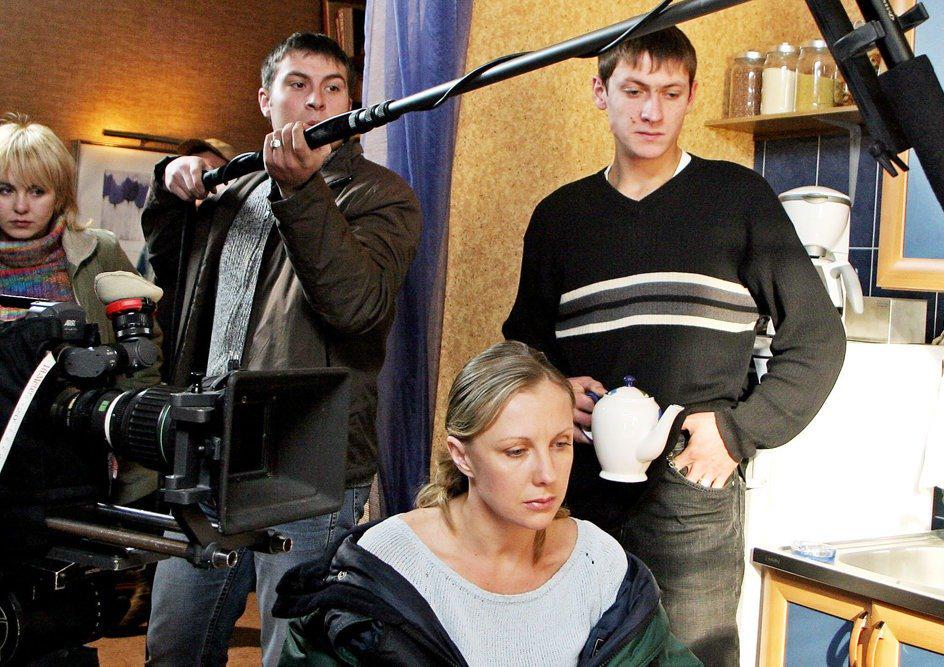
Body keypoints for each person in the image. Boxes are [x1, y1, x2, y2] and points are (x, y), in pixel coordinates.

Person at [503, 27, 846, 665]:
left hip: (693, 487)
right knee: (570, 651)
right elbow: (525, 346)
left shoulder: (738, 199)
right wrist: (553, 393)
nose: (651, 111)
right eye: (634, 90)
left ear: (690, 96)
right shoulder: (559, 217)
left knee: (690, 658)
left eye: (669, 92)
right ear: (600, 92)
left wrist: (739, 433)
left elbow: (819, 340)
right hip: (580, 485)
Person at [141, 33, 421, 665]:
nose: (316, 102)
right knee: (175, 644)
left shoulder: (383, 196)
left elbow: (355, 306)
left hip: (309, 467)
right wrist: (168, 184)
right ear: (266, 100)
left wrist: (300, 191)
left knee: (293, 653)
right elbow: (171, 275)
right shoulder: (234, 187)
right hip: (207, 452)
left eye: (333, 89)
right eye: (298, 85)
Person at [274, 341, 701, 666]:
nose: (547, 474)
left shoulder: (600, 567)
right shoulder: (385, 568)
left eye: (560, 444)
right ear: (461, 456)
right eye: (516, 451)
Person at [0, 112, 161, 503]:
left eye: (37, 191)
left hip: (73, 461)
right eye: (5, 190)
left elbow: (142, 355)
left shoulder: (98, 250)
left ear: (59, 195)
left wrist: (122, 436)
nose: (21, 206)